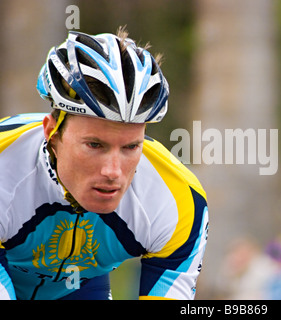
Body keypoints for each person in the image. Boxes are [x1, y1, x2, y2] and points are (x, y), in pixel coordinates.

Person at [0, 28, 209, 300]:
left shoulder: (177, 201)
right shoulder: (6, 168)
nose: (113, 172)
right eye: (95, 145)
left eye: (131, 147)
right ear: (52, 132)